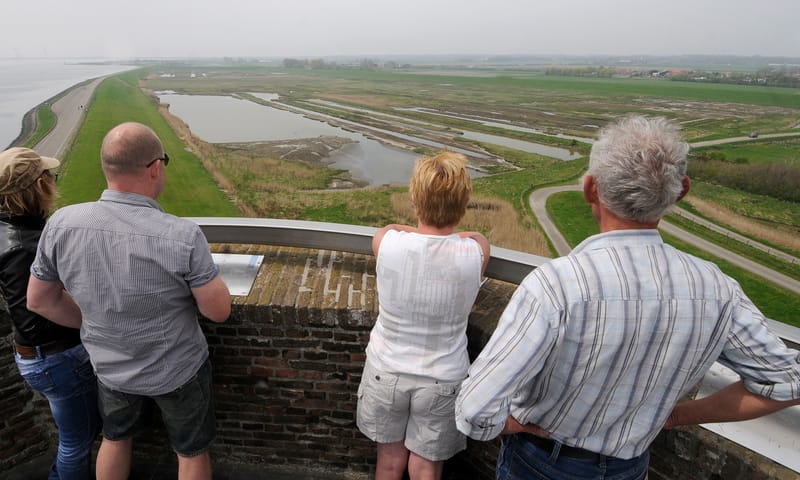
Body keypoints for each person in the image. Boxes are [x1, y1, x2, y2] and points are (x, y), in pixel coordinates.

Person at [454, 115, 800, 480]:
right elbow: (787, 382)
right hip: (630, 467)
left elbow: (475, 409)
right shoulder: (716, 289)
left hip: (542, 462)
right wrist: (680, 415)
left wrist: (507, 425)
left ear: (590, 189)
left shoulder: (558, 285)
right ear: (681, 191)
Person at [27, 122, 232, 480]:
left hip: (109, 368)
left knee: (115, 439)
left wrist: (93, 320)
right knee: (191, 451)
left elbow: (39, 300)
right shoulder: (182, 235)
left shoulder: (62, 223)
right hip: (178, 370)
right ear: (155, 167)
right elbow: (218, 311)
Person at [356, 151, 491, 480]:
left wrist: (417, 224)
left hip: (385, 370)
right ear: (463, 205)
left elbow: (388, 228)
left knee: (388, 463)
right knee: (426, 468)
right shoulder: (475, 251)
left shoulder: (387, 243)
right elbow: (474, 236)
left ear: (414, 199)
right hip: (442, 378)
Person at [0, 147, 100, 479]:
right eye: (49, 177)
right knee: (77, 440)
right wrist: (93, 325)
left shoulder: (9, 230)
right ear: (37, 186)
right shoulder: (26, 246)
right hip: (56, 356)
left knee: (77, 435)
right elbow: (39, 304)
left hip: (37, 355)